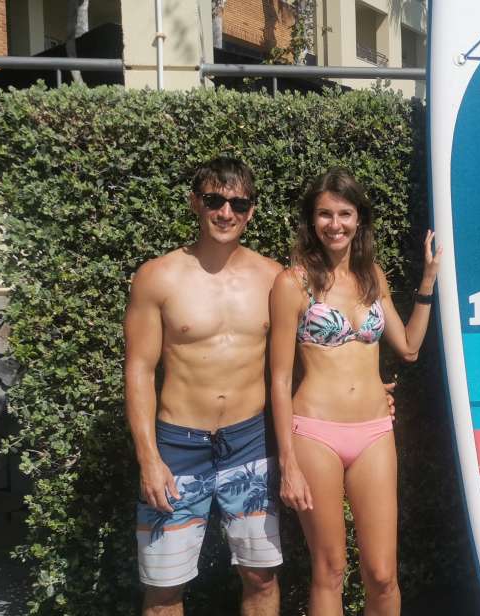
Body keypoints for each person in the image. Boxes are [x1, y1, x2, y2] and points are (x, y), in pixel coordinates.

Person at [269, 168, 439, 615]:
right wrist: (287, 461)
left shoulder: (372, 277)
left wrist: (427, 281)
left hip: (374, 433)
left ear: (359, 219)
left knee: (383, 574)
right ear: (311, 220)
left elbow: (409, 349)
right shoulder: (292, 283)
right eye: (324, 214)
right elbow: (279, 379)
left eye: (344, 213)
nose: (335, 224)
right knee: (329, 569)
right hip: (314, 434)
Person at [125, 157, 284, 615]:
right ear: (196, 203)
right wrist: (148, 458)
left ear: (251, 211)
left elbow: (303, 357)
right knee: (163, 587)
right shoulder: (157, 276)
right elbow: (138, 370)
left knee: (261, 576)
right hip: (177, 447)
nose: (226, 212)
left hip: (250, 442)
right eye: (215, 200)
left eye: (238, 203)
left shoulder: (273, 278)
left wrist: (371, 392)